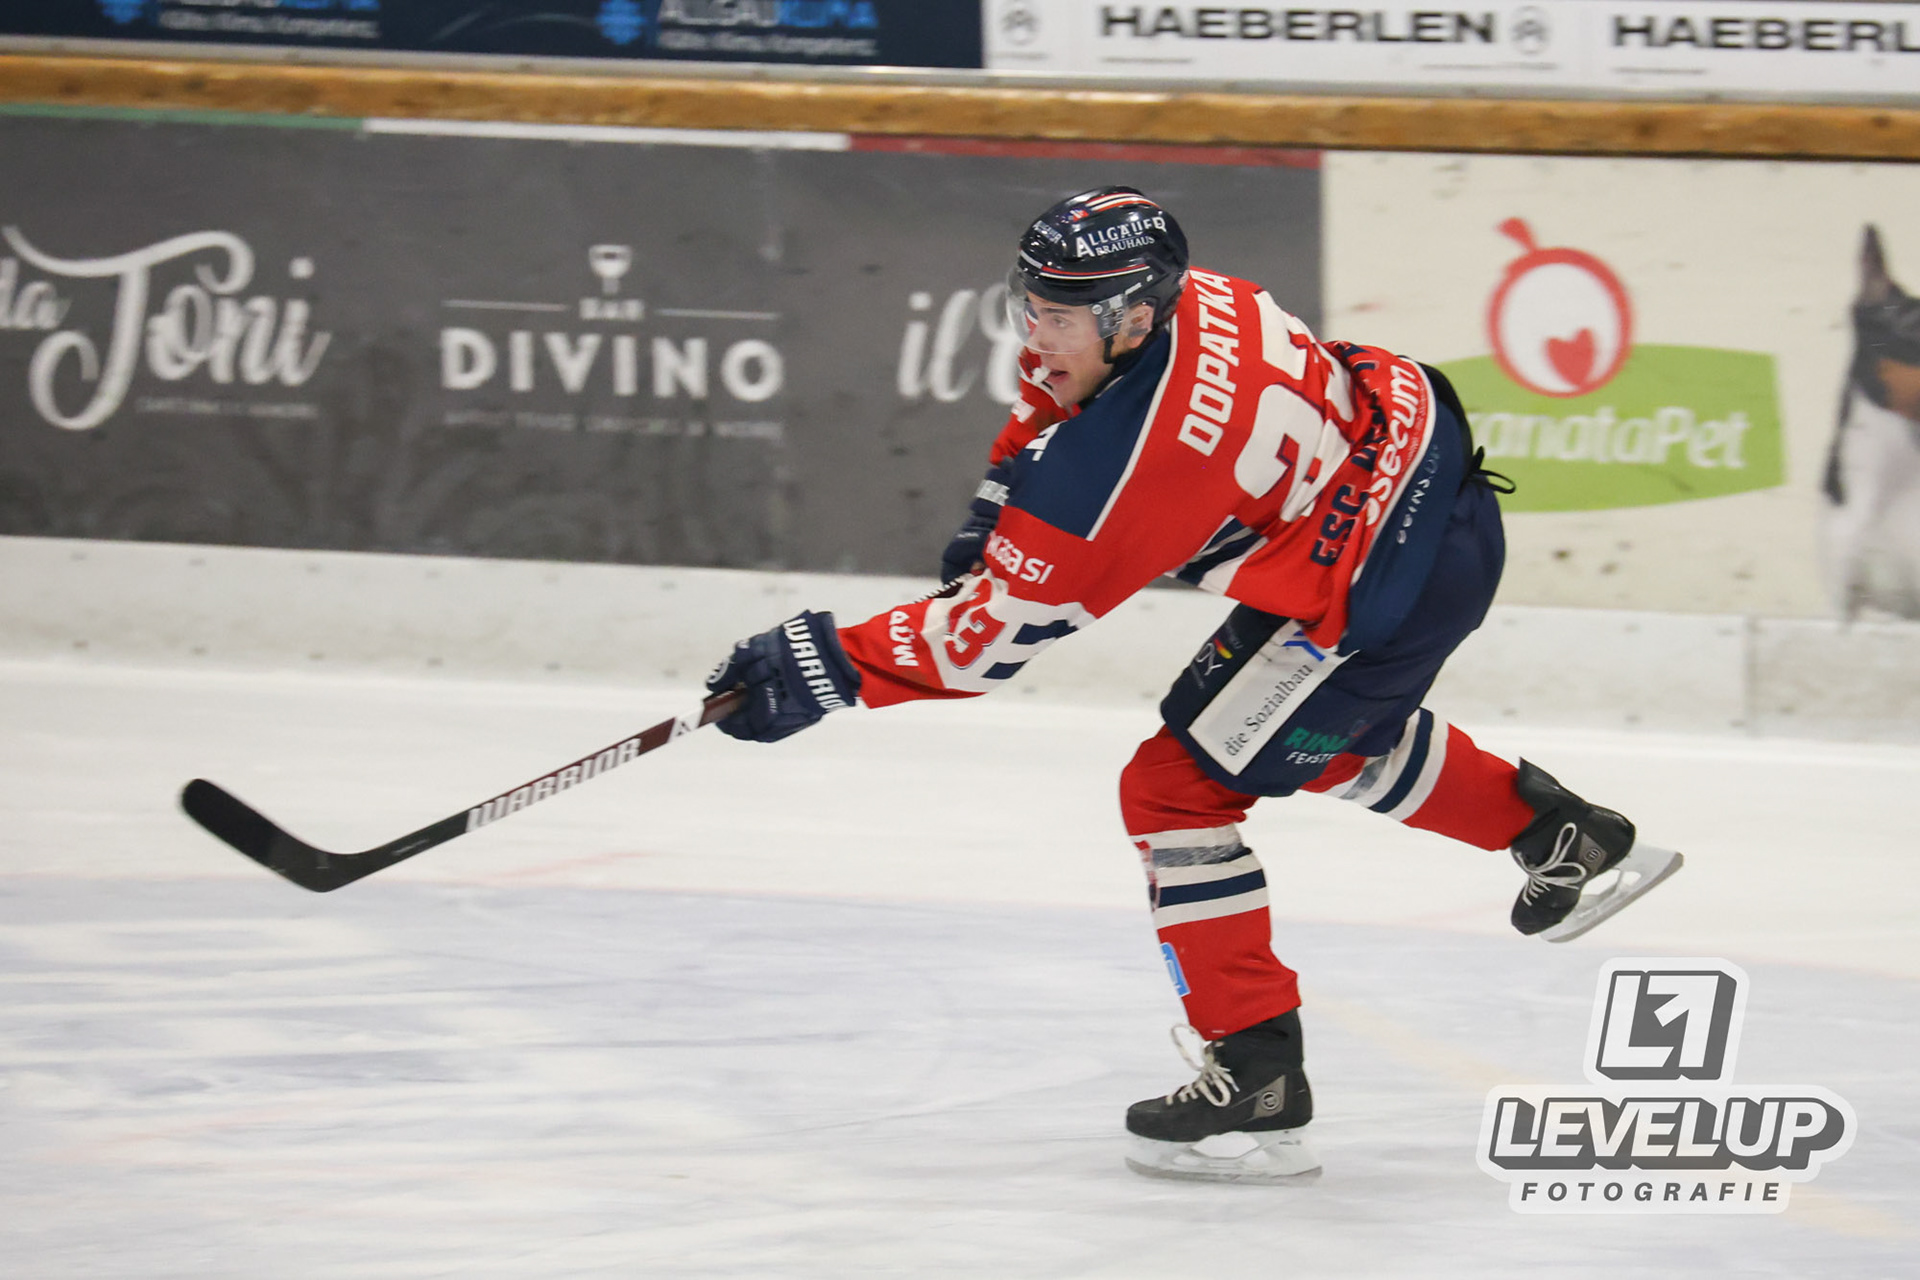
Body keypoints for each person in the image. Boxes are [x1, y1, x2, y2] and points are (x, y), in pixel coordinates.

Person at [703, 186, 1682, 1183]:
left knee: (1177, 788)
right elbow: (1054, 403)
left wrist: (818, 665)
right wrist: (1002, 506)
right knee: (1296, 735)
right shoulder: (1190, 298)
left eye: (1058, 315)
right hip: (1417, 492)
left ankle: (1257, 1078)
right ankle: (1564, 836)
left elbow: (978, 646)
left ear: (1133, 315)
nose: (1036, 333)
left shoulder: (1123, 467)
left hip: (1382, 584)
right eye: (1030, 304)